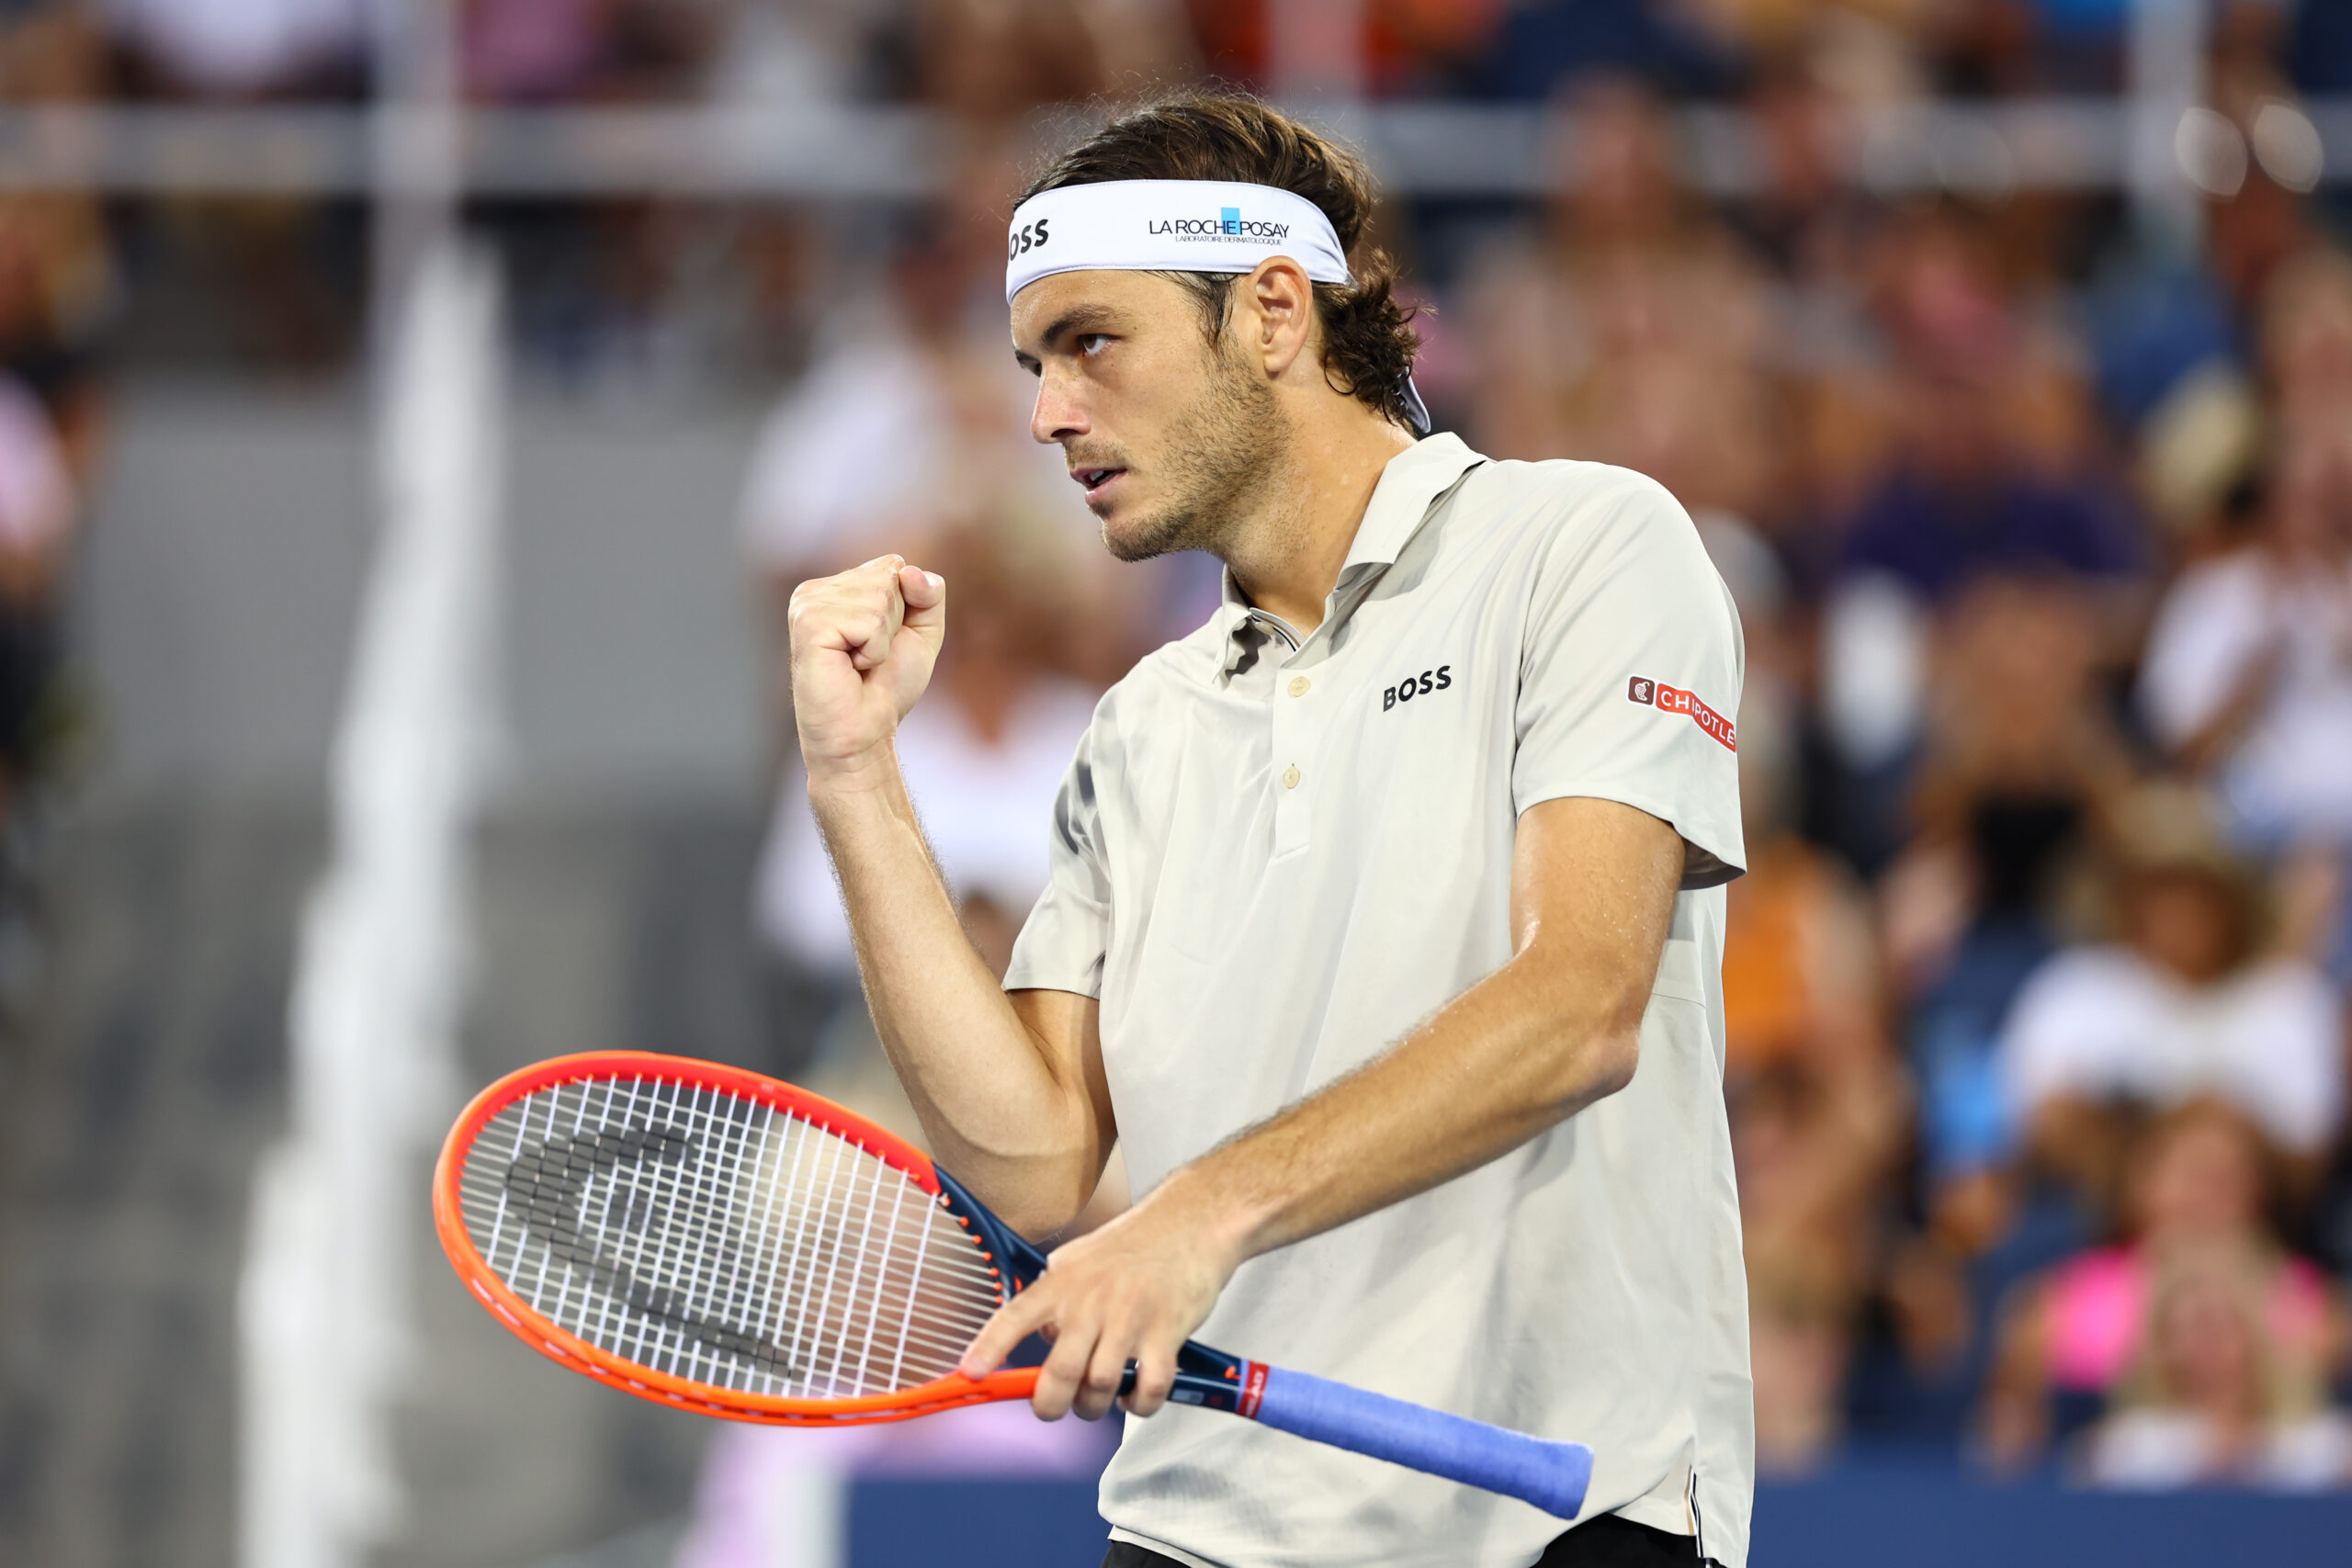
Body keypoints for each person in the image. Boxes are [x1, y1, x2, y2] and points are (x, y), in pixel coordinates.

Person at [786, 92, 1752, 1567]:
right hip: (1198, 1534)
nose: (1047, 412)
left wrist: (1199, 1217)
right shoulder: (1140, 725)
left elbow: (1582, 1007)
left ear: (1275, 313)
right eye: (1033, 364)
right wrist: (856, 778)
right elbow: (1042, 1168)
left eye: (1092, 342)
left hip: (1560, 1520)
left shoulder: (1588, 547)